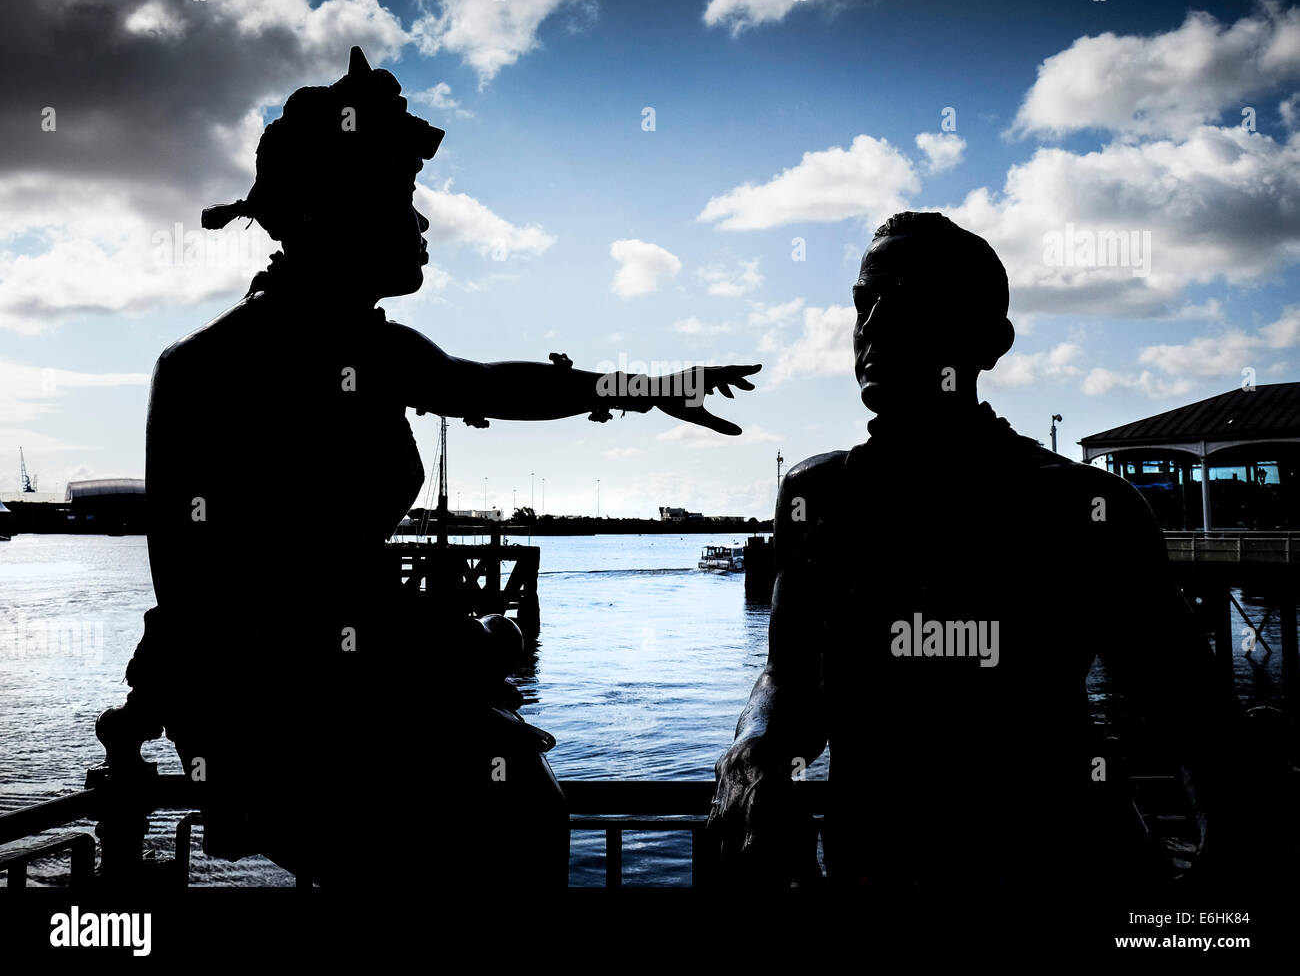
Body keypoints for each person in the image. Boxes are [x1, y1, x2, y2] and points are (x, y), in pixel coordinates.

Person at [119, 46, 759, 887]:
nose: (420, 224)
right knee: (505, 808)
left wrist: (645, 385)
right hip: (288, 713)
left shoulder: (373, 352)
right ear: (326, 210)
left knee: (515, 800)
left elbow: (493, 385)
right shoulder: (205, 368)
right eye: (399, 196)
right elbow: (196, 592)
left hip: (370, 681)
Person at [707, 211, 1251, 912]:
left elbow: (1196, 714)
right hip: (876, 883)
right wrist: (755, 745)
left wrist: (1220, 885)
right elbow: (790, 676)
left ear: (990, 340)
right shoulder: (818, 498)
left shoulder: (1086, 509)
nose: (873, 323)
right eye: (863, 300)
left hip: (1065, 880)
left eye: (908, 294)